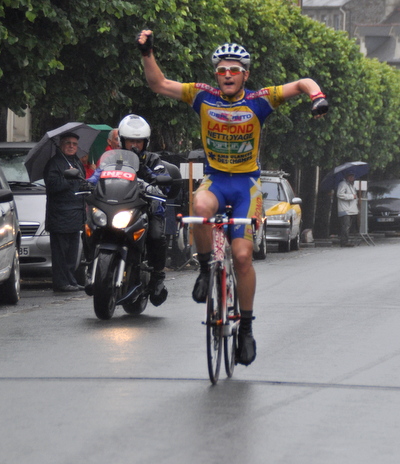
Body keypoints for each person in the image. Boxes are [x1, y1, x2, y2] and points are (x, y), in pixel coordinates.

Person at [136, 29, 328, 366]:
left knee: (241, 257)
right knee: (199, 207)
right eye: (222, 69)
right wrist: (147, 52)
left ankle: (247, 329)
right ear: (216, 74)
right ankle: (207, 268)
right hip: (216, 181)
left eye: (234, 70)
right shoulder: (201, 96)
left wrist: (317, 97)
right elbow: (159, 84)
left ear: (245, 75)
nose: (227, 75)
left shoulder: (259, 101)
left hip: (247, 188)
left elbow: (302, 83)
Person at [87, 115, 170, 306]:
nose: (134, 144)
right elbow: (98, 175)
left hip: (146, 207)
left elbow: (162, 178)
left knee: (156, 236)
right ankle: (91, 266)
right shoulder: (113, 159)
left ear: (145, 142)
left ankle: (157, 276)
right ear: (122, 141)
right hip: (117, 205)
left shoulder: (153, 159)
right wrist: (87, 183)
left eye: (138, 141)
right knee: (90, 225)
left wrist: (151, 175)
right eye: (131, 140)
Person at [43, 132, 86, 293]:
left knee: (72, 253)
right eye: (68, 143)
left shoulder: (76, 162)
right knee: (61, 253)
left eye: (74, 144)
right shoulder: (55, 163)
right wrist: (69, 178)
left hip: (75, 213)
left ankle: (71, 280)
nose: (71, 146)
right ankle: (61, 282)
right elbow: (52, 185)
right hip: (60, 214)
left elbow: (81, 181)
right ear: (61, 144)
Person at [337, 171, 359, 247]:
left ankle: (346, 240)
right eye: (351, 176)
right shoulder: (343, 184)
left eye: (353, 176)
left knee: (348, 226)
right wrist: (352, 196)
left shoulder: (351, 185)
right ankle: (344, 242)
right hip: (345, 209)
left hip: (351, 210)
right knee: (345, 226)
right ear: (347, 177)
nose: (353, 178)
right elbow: (339, 194)